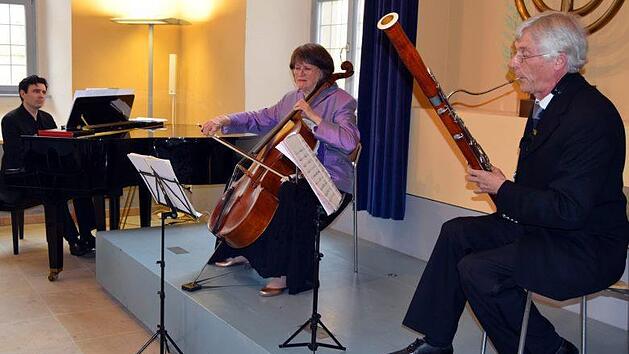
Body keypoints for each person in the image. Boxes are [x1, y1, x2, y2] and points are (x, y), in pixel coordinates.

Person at [389, 12, 628, 354]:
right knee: (456, 233)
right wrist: (501, 187)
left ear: (558, 61)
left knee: (480, 271)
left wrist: (503, 189)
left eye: (523, 54)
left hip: (584, 246)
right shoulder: (550, 103)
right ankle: (436, 342)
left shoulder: (591, 116)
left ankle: (551, 350)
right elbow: (541, 185)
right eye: (515, 52)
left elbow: (569, 210)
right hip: (544, 228)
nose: (513, 63)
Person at [201, 43, 360, 296]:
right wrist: (224, 120)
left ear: (323, 71)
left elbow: (350, 141)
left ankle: (284, 273)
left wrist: (314, 118)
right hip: (290, 173)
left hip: (328, 179)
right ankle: (242, 248)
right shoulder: (292, 98)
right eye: (296, 68)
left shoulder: (342, 102)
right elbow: (260, 118)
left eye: (307, 68)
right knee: (244, 177)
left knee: (290, 196)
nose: (300, 73)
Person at [1, 75, 97, 256]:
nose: (41, 95)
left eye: (44, 92)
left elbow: (56, 149)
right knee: (54, 193)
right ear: (23, 94)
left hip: (44, 173)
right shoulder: (11, 119)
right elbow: (15, 153)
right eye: (36, 91)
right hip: (18, 176)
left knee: (81, 187)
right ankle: (73, 239)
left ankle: (87, 235)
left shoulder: (47, 118)